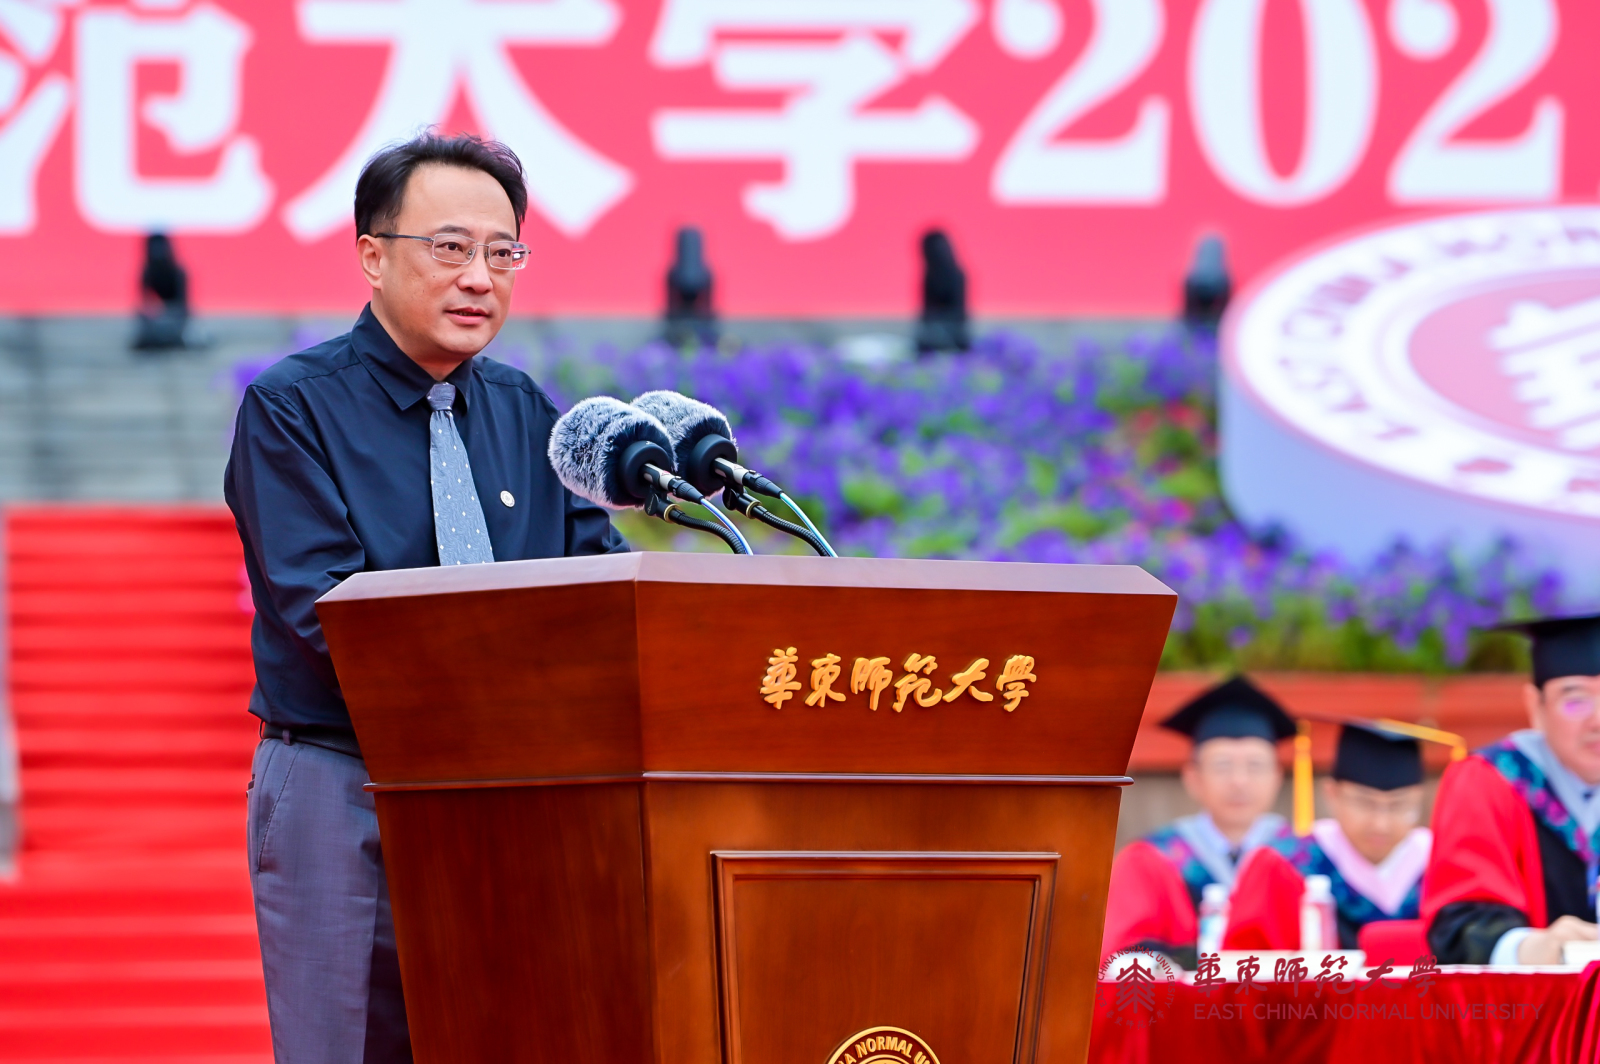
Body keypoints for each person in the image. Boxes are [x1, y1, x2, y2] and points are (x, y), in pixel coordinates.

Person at [224, 131, 627, 1063]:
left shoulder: (529, 413)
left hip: (516, 795)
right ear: (373, 256)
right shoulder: (294, 408)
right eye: (450, 248)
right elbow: (325, 612)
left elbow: (600, 589)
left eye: (502, 252)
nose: (478, 278)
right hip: (346, 779)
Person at [1422, 614, 1600, 965]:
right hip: (1531, 998)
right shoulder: (1490, 781)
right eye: (1576, 701)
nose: (1597, 721)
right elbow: (1458, 927)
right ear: (1536, 707)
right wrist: (1528, 949)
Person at [1100, 675, 1296, 967]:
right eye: (1222, 766)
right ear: (1193, 778)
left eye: (1255, 766)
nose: (1239, 781)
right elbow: (1118, 960)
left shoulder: (1304, 858)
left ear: (1277, 777)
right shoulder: (1151, 861)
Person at [1223, 721, 1442, 954]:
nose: (1381, 823)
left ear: (1420, 799)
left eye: (1398, 805)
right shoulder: (1288, 864)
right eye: (1364, 803)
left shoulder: (1440, 866)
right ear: (1332, 794)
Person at [134, 232, 189, 350]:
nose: (157, 251)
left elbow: (184, 307)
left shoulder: (178, 273)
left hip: (176, 319)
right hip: (157, 320)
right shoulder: (147, 273)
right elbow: (144, 306)